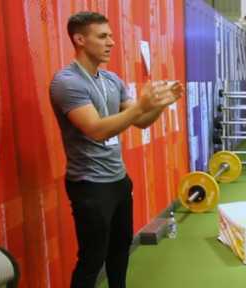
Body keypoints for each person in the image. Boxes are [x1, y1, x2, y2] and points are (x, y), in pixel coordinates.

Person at [49, 11, 184, 288]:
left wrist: (160, 104)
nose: (111, 42)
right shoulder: (67, 82)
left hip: (118, 181)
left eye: (110, 35)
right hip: (89, 184)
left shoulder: (112, 81)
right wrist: (141, 105)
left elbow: (141, 121)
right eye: (102, 36)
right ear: (80, 39)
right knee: (91, 259)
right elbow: (97, 130)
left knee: (120, 248)